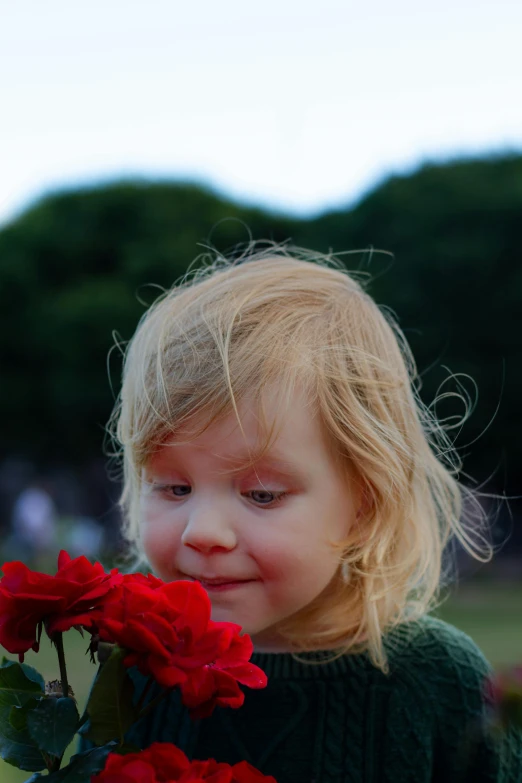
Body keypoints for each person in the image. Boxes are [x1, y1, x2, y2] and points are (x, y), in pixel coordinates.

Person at [104, 246, 522, 781]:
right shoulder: (134, 671)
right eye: (173, 486)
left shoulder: (437, 680)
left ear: (362, 503)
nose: (203, 531)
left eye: (262, 495)